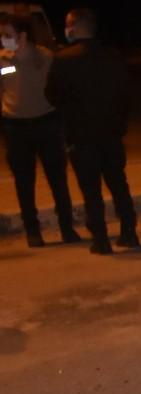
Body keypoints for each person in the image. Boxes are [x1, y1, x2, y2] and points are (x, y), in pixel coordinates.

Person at [47, 8, 136, 253]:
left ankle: (101, 239)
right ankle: (129, 231)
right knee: (118, 183)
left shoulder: (64, 59)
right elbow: (126, 95)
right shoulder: (113, 55)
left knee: (91, 190)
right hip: (111, 133)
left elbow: (52, 95)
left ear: (74, 27)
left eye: (67, 25)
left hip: (81, 135)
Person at [0, 13, 78, 248]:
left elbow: (59, 89)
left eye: (7, 35)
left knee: (57, 179)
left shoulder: (44, 57)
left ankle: (67, 227)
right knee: (24, 181)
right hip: (16, 127)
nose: (3, 40)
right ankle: (32, 231)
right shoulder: (2, 61)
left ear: (22, 36)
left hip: (46, 123)